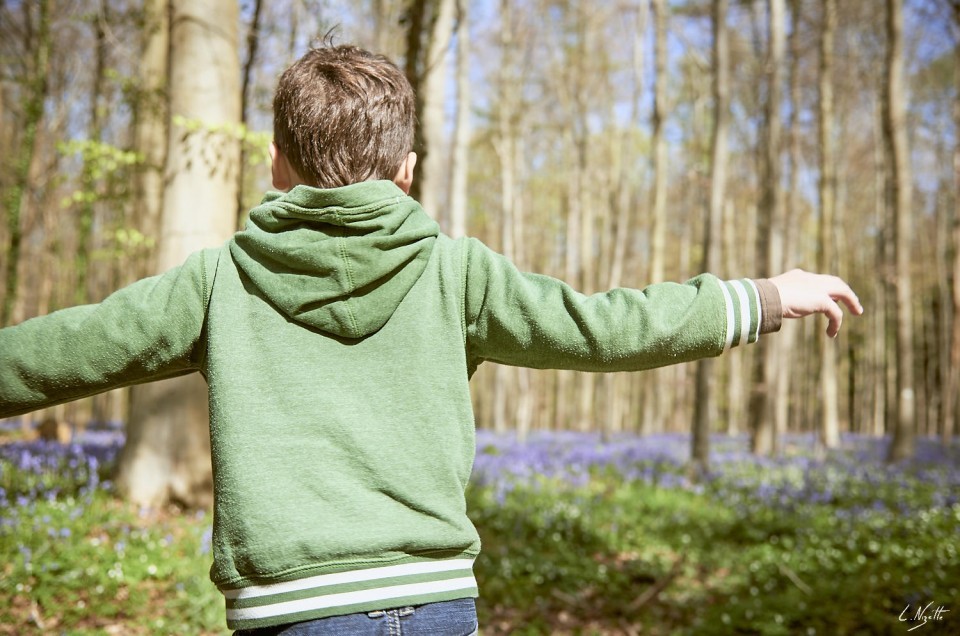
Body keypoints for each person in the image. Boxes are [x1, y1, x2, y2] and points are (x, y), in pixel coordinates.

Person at [0, 44, 862, 635]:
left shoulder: (219, 280)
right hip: (437, 602)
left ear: (275, 163)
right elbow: (607, 326)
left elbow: (66, 349)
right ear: (407, 169)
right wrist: (761, 298)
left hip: (293, 610)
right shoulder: (457, 272)